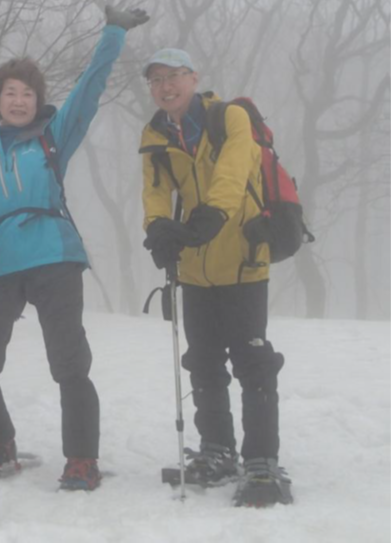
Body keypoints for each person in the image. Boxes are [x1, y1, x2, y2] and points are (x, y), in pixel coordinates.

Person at [0, 6, 149, 491]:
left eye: (27, 94)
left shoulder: (54, 136)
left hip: (56, 257)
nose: (18, 101)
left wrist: (113, 33)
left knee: (69, 360)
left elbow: (90, 87)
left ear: (39, 101)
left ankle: (81, 458)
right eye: (10, 93)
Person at [140, 48, 292, 506]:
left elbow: (233, 173)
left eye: (175, 76)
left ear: (194, 77)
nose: (166, 86)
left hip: (243, 257)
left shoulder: (230, 118)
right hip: (195, 267)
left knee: (252, 362)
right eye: (157, 79)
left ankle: (261, 459)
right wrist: (158, 231)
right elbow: (153, 193)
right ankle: (217, 449)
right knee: (203, 361)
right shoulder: (154, 134)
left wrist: (209, 219)